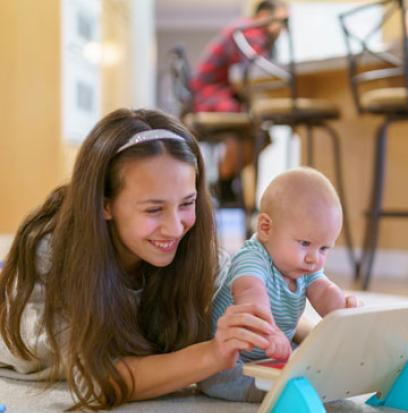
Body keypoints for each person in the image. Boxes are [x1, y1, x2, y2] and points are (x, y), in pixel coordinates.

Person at [0, 108, 276, 410]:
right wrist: (211, 355)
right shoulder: (52, 254)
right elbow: (98, 380)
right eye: (154, 210)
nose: (175, 227)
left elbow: (239, 281)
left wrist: (318, 326)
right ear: (105, 205)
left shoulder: (189, 242)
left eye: (187, 203)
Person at [199, 167, 359, 401]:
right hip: (233, 357)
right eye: (305, 243)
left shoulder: (304, 265)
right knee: (220, 377)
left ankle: (287, 381)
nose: (314, 258)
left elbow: (324, 291)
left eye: (324, 248)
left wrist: (344, 308)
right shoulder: (252, 257)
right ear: (266, 228)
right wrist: (270, 330)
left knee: (309, 363)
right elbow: (251, 296)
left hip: (273, 352)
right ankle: (265, 391)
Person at [190, 0, 288, 203]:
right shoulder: (249, 32)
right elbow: (252, 74)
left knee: (259, 132)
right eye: (281, 21)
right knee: (249, 126)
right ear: (263, 16)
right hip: (209, 96)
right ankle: (223, 183)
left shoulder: (248, 32)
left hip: (214, 94)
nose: (283, 29)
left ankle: (224, 182)